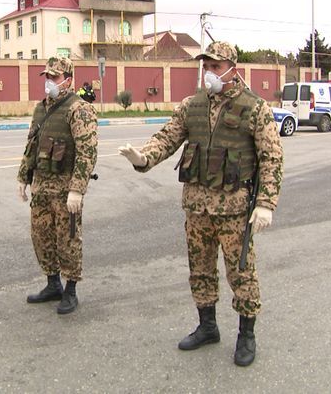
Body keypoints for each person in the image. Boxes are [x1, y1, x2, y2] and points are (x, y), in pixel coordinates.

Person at [118, 41, 283, 366]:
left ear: (233, 69)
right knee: (200, 271)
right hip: (197, 210)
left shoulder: (255, 108)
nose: (208, 72)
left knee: (242, 274)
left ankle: (246, 334)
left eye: (215, 67)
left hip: (235, 212)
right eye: (205, 66)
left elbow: (272, 157)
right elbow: (167, 138)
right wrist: (143, 157)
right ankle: (207, 326)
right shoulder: (191, 105)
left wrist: (265, 203)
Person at [17, 57, 98, 315]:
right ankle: (53, 284)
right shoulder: (41, 109)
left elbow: (87, 152)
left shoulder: (79, 109)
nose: (49, 82)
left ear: (68, 80)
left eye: (54, 77)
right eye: (47, 77)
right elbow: (32, 145)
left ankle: (71, 290)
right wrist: (23, 177)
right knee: (41, 237)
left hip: (65, 191)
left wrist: (77, 189)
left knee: (69, 240)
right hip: (41, 188)